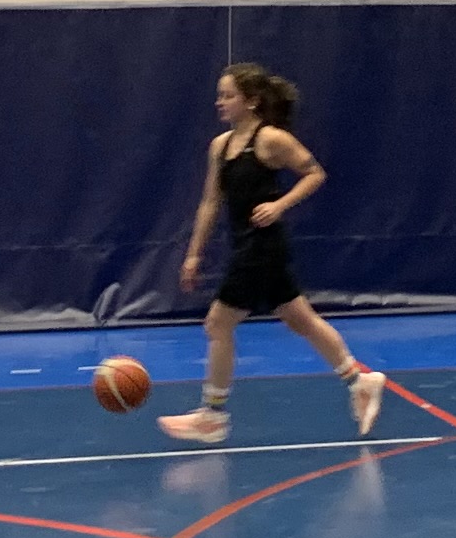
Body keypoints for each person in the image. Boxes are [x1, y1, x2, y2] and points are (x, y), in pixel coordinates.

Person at [158, 64, 387, 445]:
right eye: (219, 95)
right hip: (245, 243)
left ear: (251, 101)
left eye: (228, 95)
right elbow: (210, 202)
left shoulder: (270, 140)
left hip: (262, 246)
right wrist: (193, 254)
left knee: (217, 324)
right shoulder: (220, 147)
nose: (219, 102)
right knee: (300, 320)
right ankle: (360, 381)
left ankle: (212, 415)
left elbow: (314, 173)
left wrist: (280, 205)